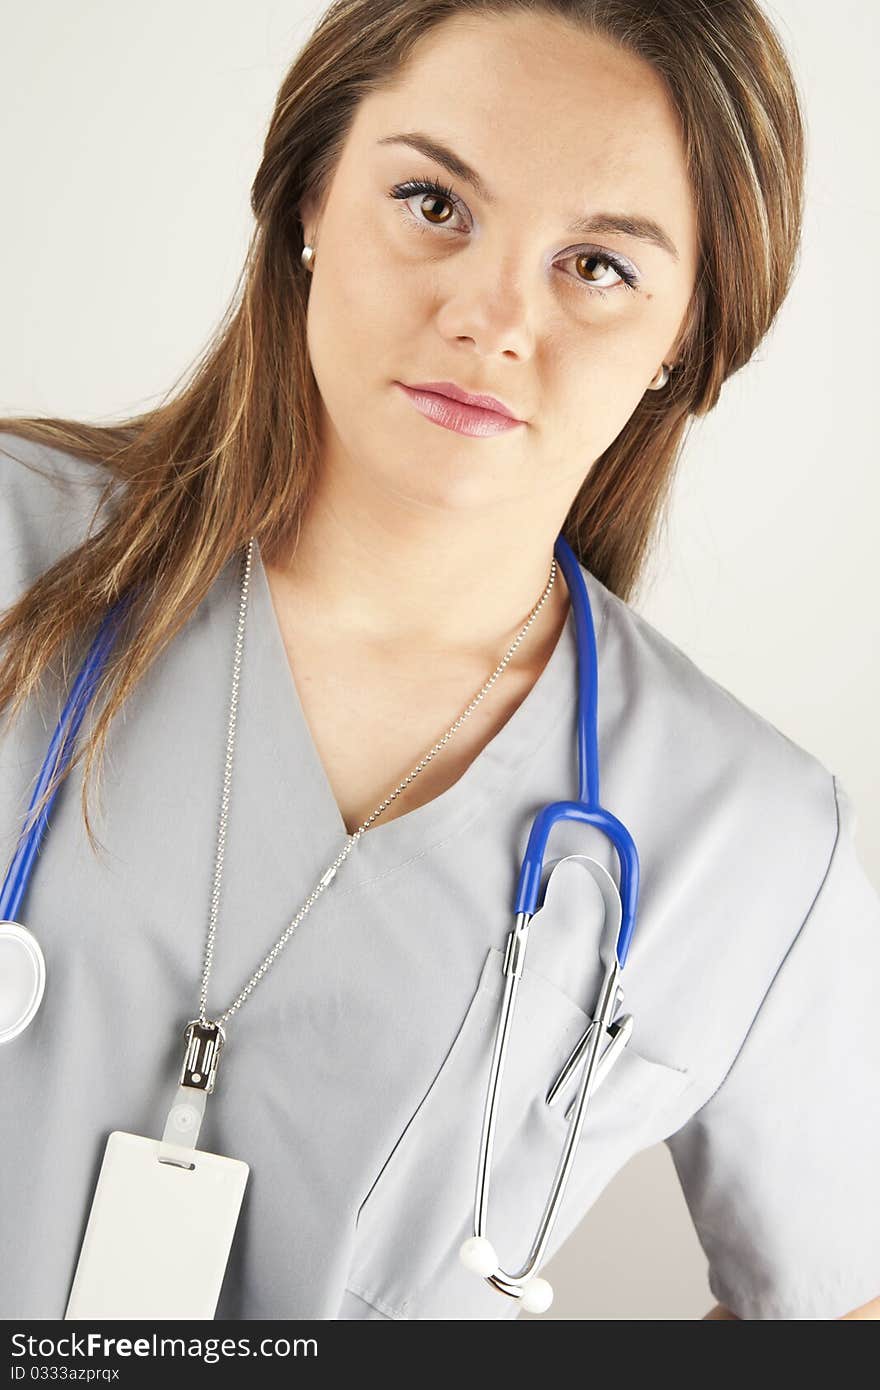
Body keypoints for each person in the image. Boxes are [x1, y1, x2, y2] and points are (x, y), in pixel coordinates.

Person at [1, 0, 878, 1321]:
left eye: (598, 267)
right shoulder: (19, 550)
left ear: (684, 343)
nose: (490, 315)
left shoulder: (748, 832)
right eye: (434, 201)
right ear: (307, 196)